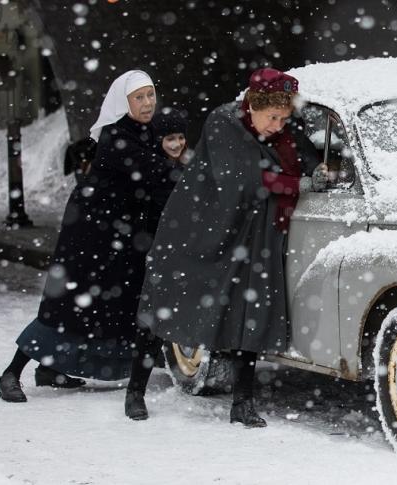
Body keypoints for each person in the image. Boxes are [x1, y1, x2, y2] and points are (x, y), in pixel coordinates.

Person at [124, 68, 320, 427]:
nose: (278, 125)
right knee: (165, 304)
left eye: (284, 118)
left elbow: (305, 158)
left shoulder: (279, 131)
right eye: (272, 117)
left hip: (254, 233)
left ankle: (241, 405)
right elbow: (239, 184)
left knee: (251, 310)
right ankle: (135, 390)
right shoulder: (224, 122)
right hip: (199, 227)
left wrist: (320, 172)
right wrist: (296, 182)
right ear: (253, 106)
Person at [0, 70, 178, 403]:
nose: (147, 102)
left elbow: (158, 179)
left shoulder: (146, 133)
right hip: (91, 234)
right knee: (66, 305)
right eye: (139, 97)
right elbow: (157, 172)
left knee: (101, 305)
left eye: (151, 94)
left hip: (122, 236)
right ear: (123, 102)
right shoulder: (115, 136)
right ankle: (11, 373)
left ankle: (50, 369)